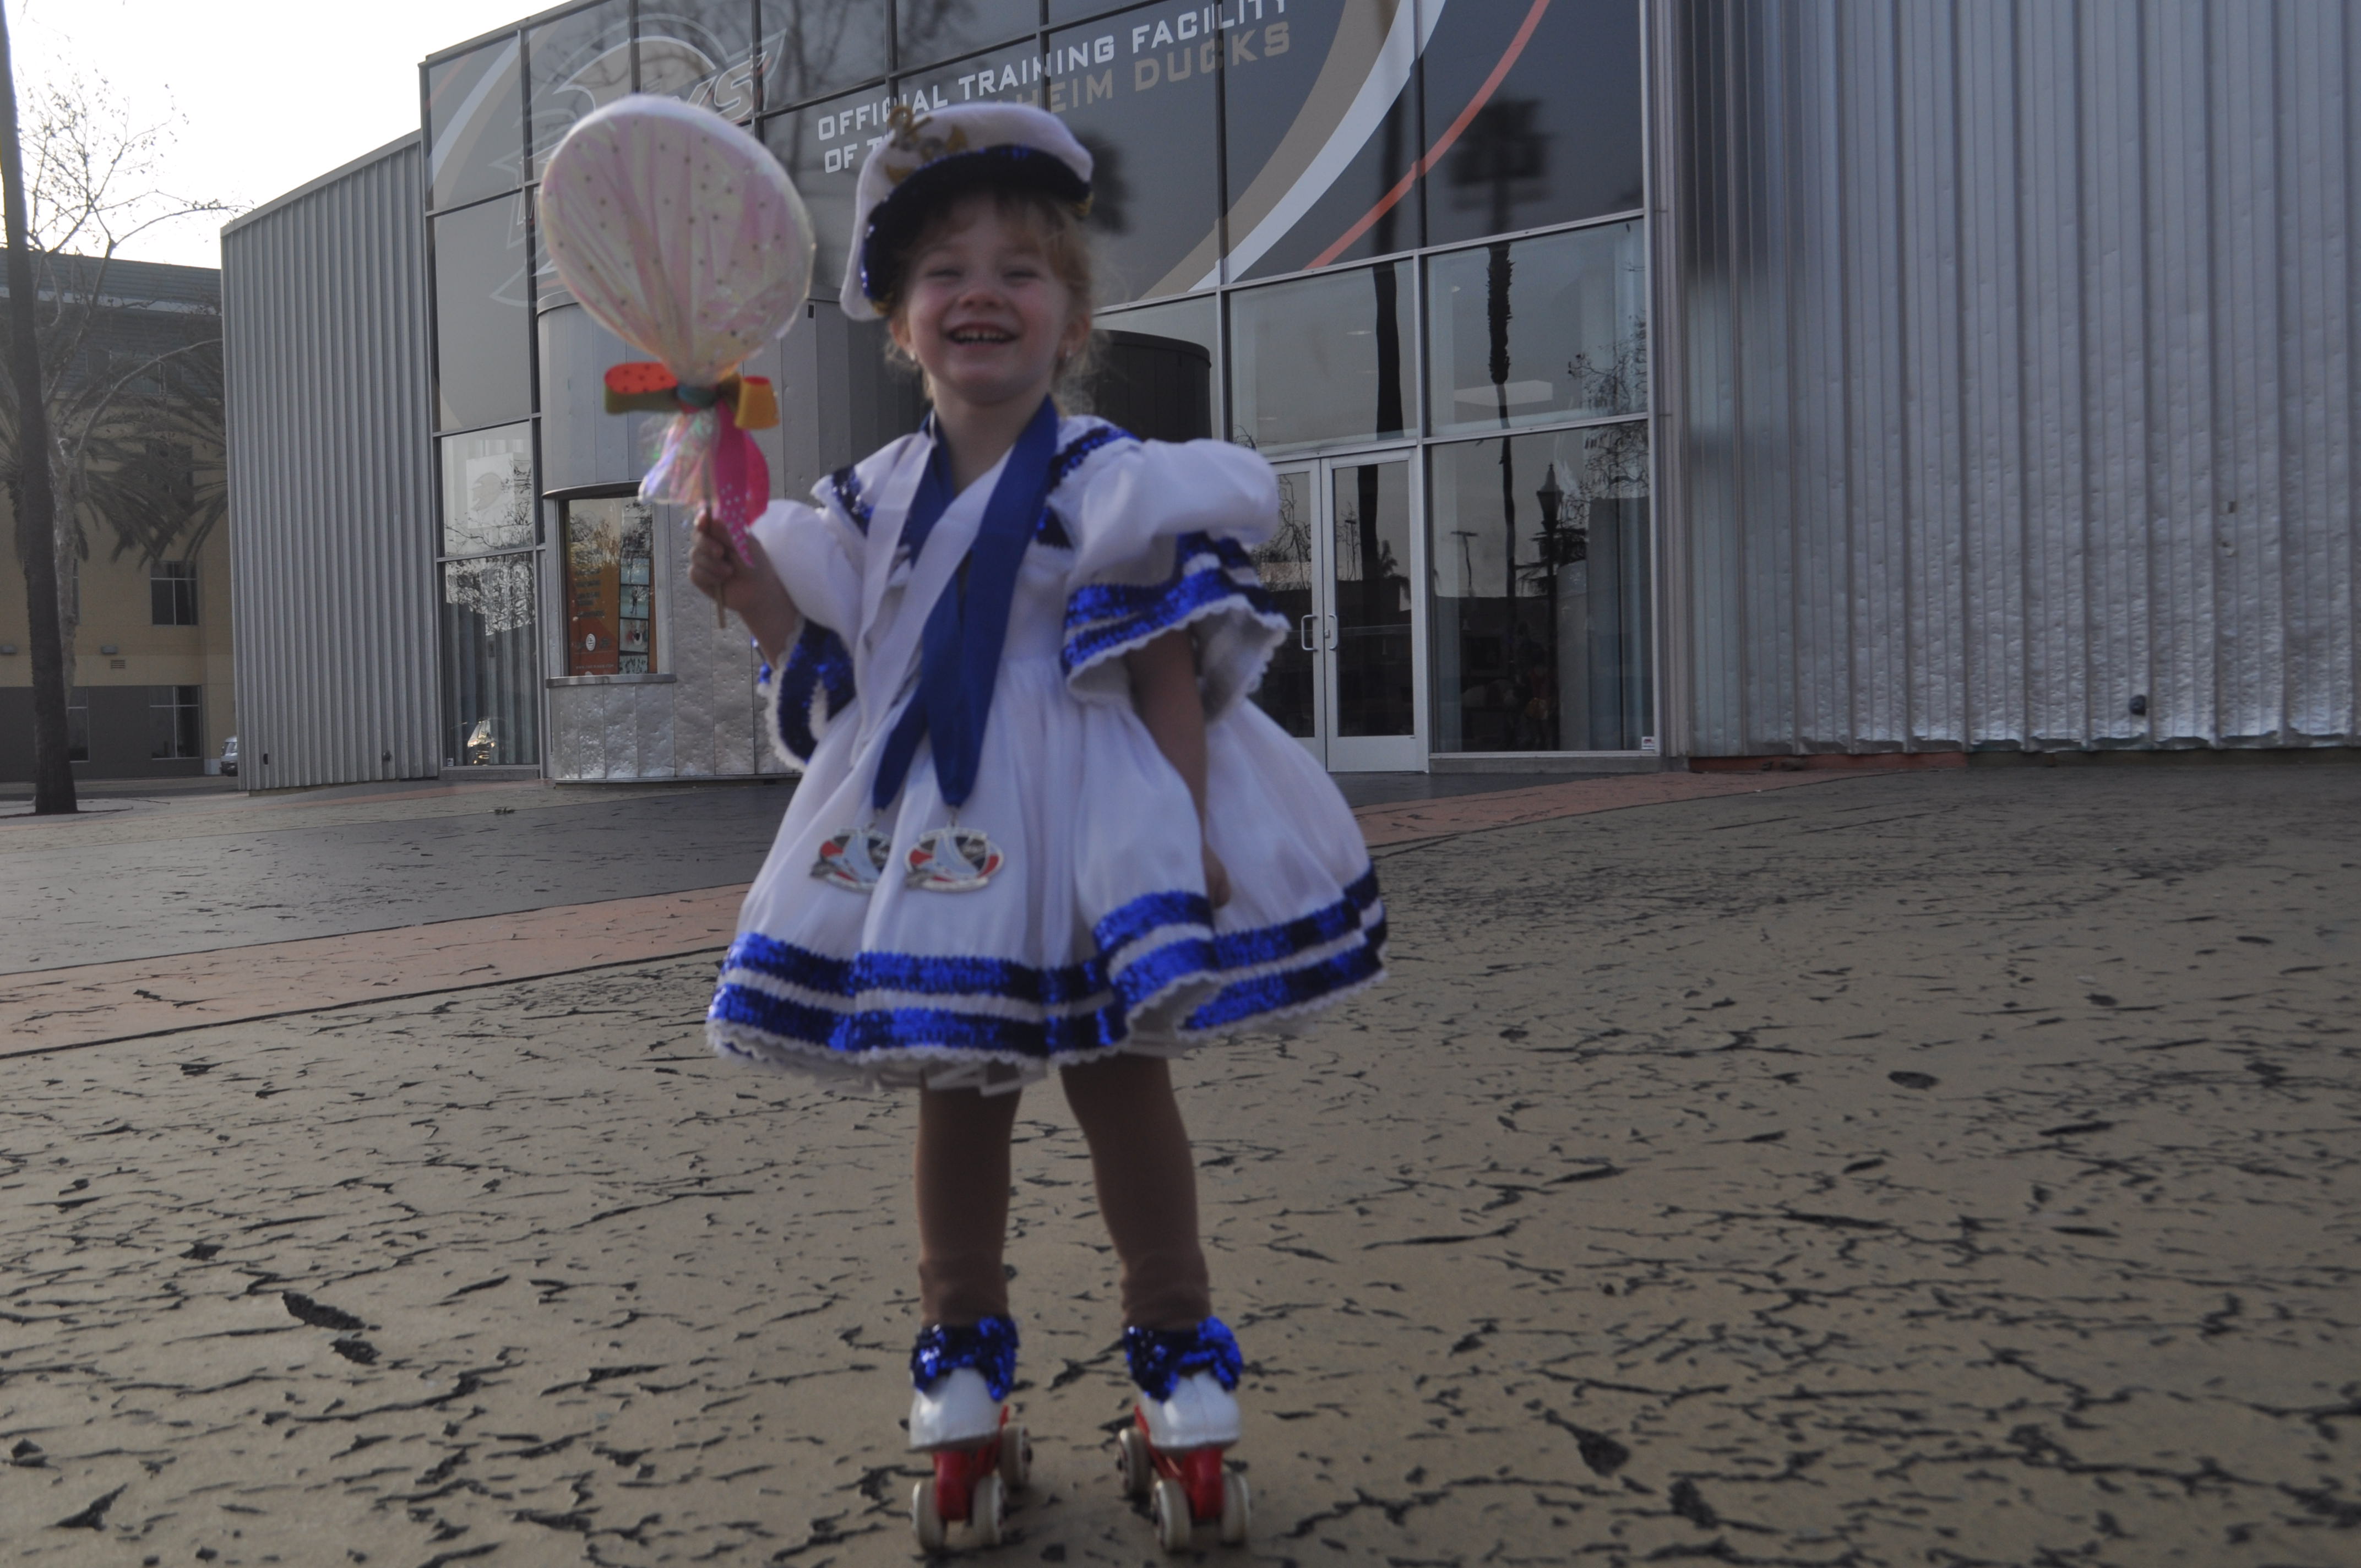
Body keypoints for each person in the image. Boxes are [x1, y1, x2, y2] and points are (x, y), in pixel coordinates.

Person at [686, 101, 1383, 1539]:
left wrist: (1184, 836)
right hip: (933, 813)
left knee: (1122, 1077)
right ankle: (965, 1359)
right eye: (944, 271)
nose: (982, 292)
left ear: (1072, 320)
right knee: (959, 1079)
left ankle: (1176, 1346)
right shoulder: (866, 501)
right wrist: (753, 592)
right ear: (899, 321)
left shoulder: (1110, 482)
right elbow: (843, 672)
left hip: (1088, 810)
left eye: (1021, 266)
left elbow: (1166, 672)